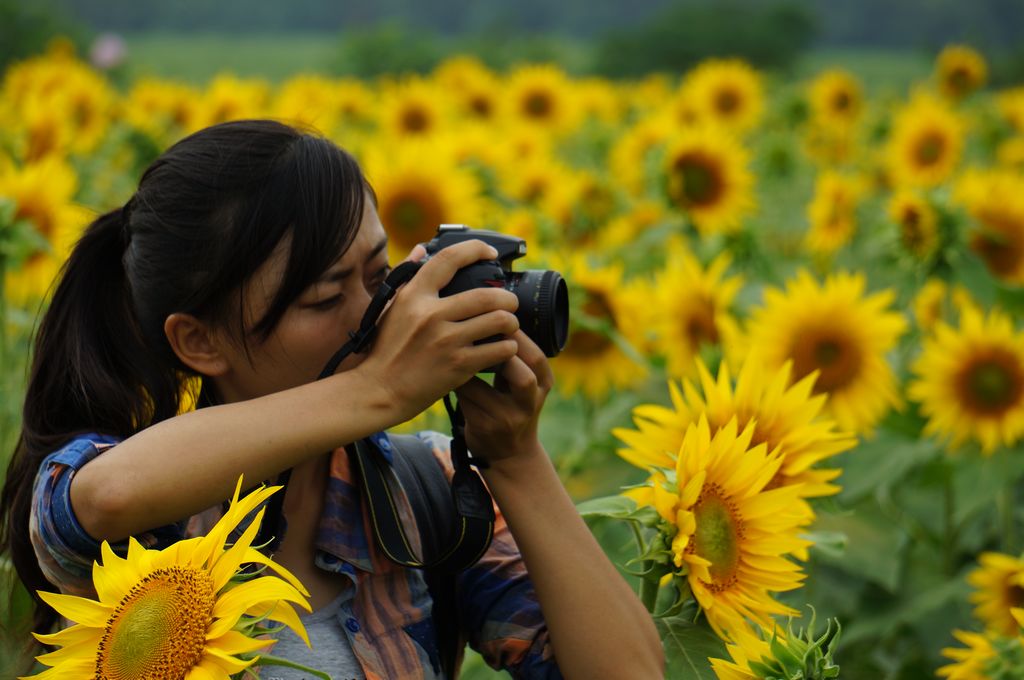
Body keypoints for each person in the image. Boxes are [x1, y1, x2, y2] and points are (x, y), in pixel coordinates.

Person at [0, 120, 663, 679]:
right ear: (200, 342)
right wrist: (379, 388)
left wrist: (516, 459)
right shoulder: (138, 507)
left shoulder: (422, 494)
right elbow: (103, 496)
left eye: (381, 275)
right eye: (324, 297)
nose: (377, 313)